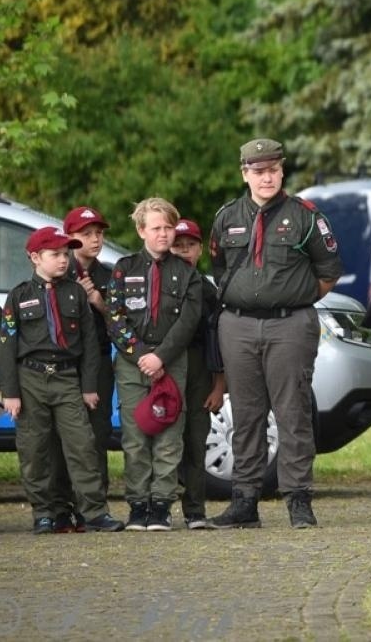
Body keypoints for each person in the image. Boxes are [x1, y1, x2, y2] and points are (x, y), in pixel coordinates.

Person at [208, 138, 343, 530]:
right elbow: (219, 265)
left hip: (290, 324)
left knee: (292, 412)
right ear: (244, 173)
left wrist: (291, 299)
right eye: (257, 170)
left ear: (282, 170)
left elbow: (328, 271)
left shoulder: (305, 216)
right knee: (245, 415)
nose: (266, 177)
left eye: (272, 169)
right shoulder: (227, 216)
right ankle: (244, 502)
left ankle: (298, 500)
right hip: (239, 325)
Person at [0, 227, 126, 533]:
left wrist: (89, 386)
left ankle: (93, 511)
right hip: (31, 378)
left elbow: (90, 346)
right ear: (35, 257)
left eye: (65, 254)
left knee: (82, 446)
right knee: (35, 448)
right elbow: (6, 347)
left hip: (68, 377)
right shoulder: (19, 296)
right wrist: (10, 392)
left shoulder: (75, 293)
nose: (63, 260)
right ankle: (45, 512)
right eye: (55, 255)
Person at [107, 197, 206, 532]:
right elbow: (115, 319)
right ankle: (138, 505)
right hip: (132, 363)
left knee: (168, 435)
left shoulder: (187, 274)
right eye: (156, 228)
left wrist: (161, 357)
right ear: (141, 230)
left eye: (168, 227)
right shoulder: (124, 268)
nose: (164, 235)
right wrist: (140, 356)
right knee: (135, 436)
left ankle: (161, 505)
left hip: (172, 362)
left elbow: (188, 322)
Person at [54, 205, 114, 514]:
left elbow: (120, 323)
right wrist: (73, 297)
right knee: (63, 433)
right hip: (65, 364)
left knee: (96, 430)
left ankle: (95, 501)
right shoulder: (58, 272)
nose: (95, 239)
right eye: (86, 234)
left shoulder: (109, 274)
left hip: (99, 362)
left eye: (99, 234)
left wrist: (98, 301)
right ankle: (63, 504)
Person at [171, 218, 225, 529]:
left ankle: (195, 510)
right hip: (165, 364)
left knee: (195, 437)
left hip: (198, 365)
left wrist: (219, 384)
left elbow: (217, 341)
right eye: (177, 245)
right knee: (165, 438)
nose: (183, 251)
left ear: (199, 249)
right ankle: (157, 507)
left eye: (189, 245)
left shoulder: (208, 290)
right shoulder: (158, 282)